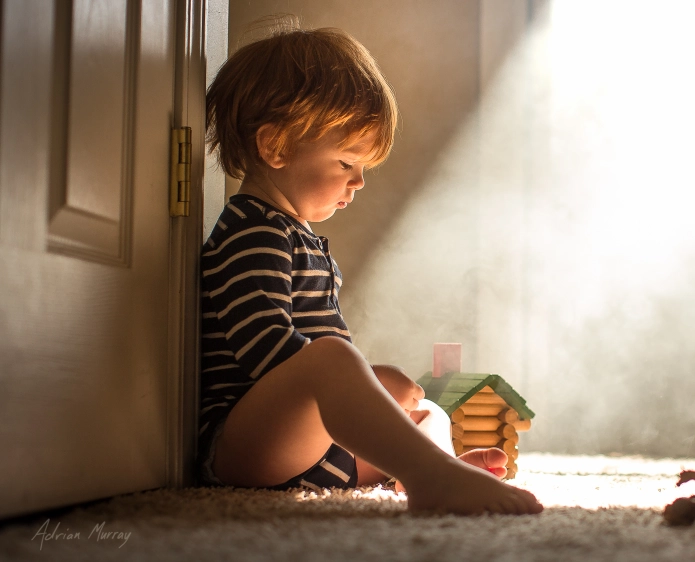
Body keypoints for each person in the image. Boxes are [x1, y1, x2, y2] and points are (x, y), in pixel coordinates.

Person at [198, 25, 542, 516]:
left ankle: (438, 465)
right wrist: (360, 381)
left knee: (423, 405)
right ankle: (431, 475)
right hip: (245, 445)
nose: (358, 181)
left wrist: (377, 394)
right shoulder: (253, 233)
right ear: (275, 147)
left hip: (305, 449)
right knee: (333, 359)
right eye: (345, 162)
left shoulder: (298, 236)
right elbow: (264, 351)